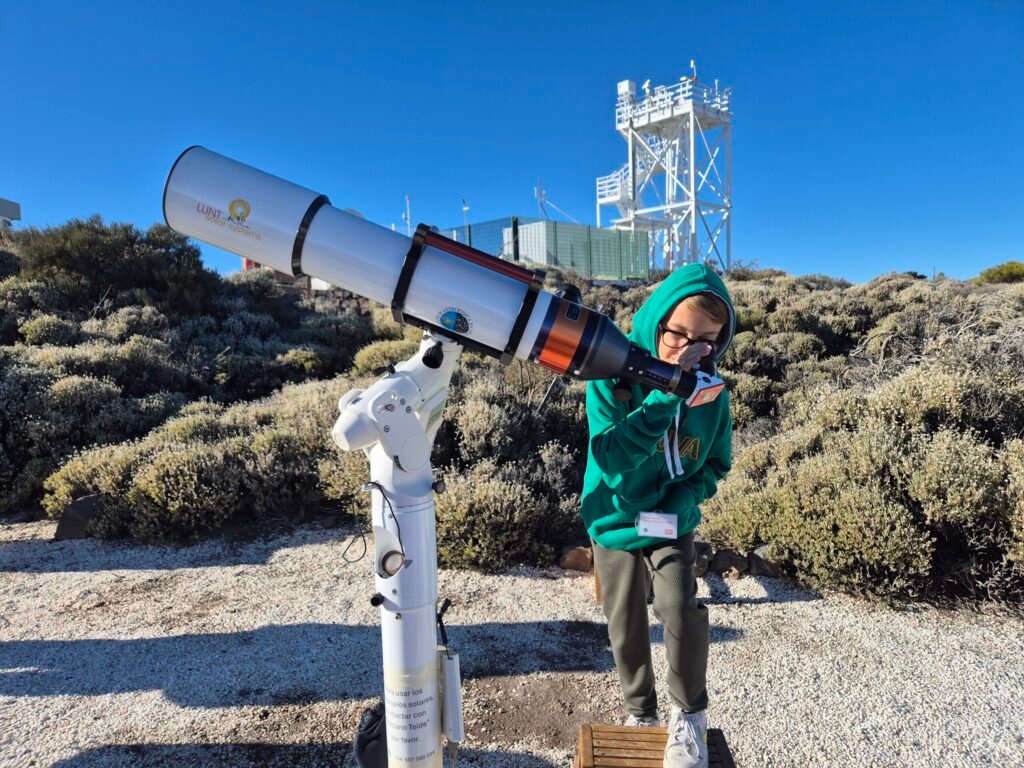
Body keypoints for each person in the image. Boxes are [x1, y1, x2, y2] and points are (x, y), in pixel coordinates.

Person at [582, 263, 735, 768]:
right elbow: (611, 457)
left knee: (679, 607)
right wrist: (665, 396)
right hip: (615, 518)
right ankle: (640, 712)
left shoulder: (713, 396)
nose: (690, 350)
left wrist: (684, 501)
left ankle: (689, 714)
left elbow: (715, 463)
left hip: (671, 520)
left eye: (706, 341)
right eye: (678, 335)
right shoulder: (609, 375)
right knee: (624, 619)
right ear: (656, 323)